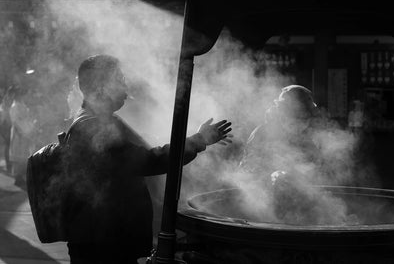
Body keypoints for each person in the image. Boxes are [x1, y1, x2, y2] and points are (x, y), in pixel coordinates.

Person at [62, 55, 232, 264]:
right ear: (101, 86)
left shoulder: (100, 120)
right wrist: (197, 141)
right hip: (102, 244)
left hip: (105, 239)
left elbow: (146, 150)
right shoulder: (92, 126)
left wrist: (194, 141)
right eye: (119, 79)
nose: (125, 86)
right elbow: (148, 160)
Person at [239, 85, 319, 178]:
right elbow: (246, 171)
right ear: (281, 115)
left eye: (304, 120)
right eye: (294, 120)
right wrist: (272, 175)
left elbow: (319, 170)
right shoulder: (262, 134)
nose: (299, 126)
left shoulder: (307, 140)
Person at [0, 86, 15, 173]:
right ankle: (8, 164)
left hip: (7, 123)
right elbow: (4, 111)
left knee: (8, 145)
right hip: (4, 124)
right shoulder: (6, 99)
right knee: (8, 144)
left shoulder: (9, 99)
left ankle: (9, 164)